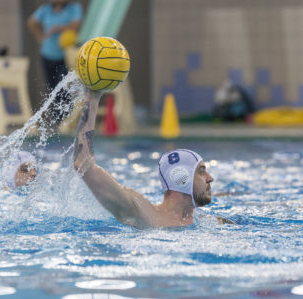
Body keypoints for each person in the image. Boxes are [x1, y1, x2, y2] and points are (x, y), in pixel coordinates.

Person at [72, 90, 228, 229]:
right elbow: (83, 164)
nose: (210, 178)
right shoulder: (141, 212)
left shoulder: (210, 222)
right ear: (182, 178)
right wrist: (92, 96)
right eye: (201, 172)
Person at [27, 0, 82, 123]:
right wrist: (40, 36)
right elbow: (31, 22)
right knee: (52, 88)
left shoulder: (74, 8)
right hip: (47, 54)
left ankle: (66, 117)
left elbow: (75, 25)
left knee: (63, 86)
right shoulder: (46, 9)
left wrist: (59, 28)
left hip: (65, 56)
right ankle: (58, 119)